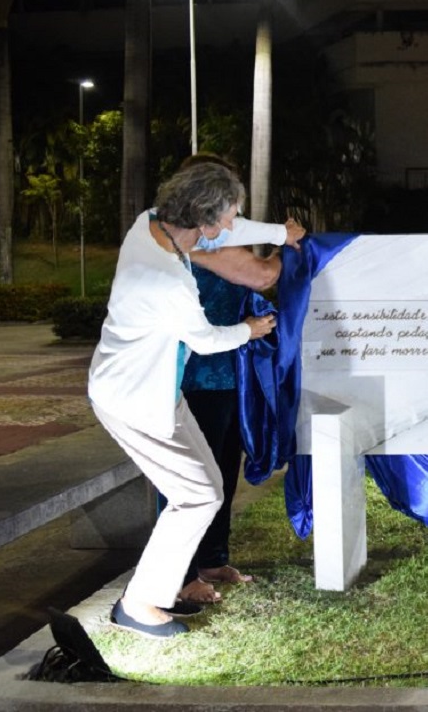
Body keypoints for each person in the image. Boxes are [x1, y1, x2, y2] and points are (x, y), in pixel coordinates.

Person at [88, 161, 304, 637]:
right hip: (133, 400)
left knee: (206, 487)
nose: (232, 228)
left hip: (159, 390)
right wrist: (249, 329)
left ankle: (163, 589)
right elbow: (206, 341)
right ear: (203, 221)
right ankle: (141, 603)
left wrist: (277, 231)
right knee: (197, 495)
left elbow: (235, 227)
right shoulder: (166, 279)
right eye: (226, 220)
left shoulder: (152, 222)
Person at [173, 154, 286, 606]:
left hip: (227, 374)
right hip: (192, 376)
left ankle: (213, 558)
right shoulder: (195, 243)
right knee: (190, 479)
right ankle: (180, 574)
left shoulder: (214, 237)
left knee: (221, 472)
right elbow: (261, 276)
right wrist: (290, 247)